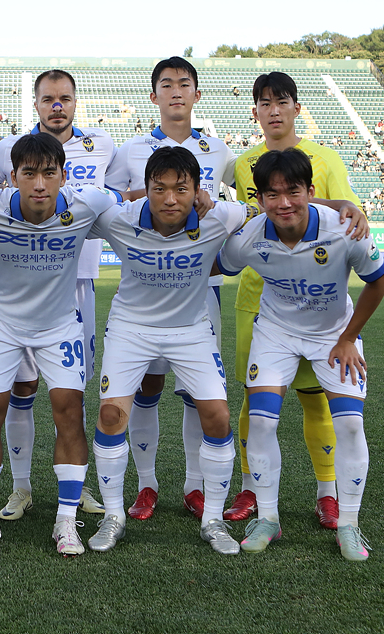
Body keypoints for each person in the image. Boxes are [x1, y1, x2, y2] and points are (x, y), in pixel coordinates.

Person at [217, 148, 384, 561]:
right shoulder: (250, 236)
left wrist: (348, 338)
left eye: (293, 192)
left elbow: (378, 281)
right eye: (271, 195)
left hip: (334, 335)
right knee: (261, 421)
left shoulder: (343, 229)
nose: (284, 203)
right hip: (275, 333)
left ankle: (349, 525)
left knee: (350, 427)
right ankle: (268, 519)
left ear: (311, 192)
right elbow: (215, 265)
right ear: (259, 198)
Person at [0, 134, 119, 557]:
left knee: (70, 412)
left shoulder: (87, 203)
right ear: (12, 178)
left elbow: (135, 208)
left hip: (59, 325)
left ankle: (66, 520)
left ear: (64, 175)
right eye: (29, 174)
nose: (40, 184)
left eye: (49, 173)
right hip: (0, 326)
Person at [224, 72, 368, 531]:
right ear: (255, 112)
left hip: (316, 303)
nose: (273, 110)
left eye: (281, 101)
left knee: (315, 398)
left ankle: (327, 492)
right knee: (254, 399)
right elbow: (243, 221)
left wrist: (335, 205)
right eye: (264, 103)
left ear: (296, 108)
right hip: (258, 298)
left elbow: (348, 211)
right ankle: (251, 488)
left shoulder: (325, 157)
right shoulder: (242, 164)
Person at [89, 146, 249, 554]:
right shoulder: (119, 218)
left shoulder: (220, 216)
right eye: (159, 188)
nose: (170, 199)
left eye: (181, 188)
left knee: (218, 417)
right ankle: (113, 516)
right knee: (111, 415)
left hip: (191, 330)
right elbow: (69, 202)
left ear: (197, 190)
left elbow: (271, 208)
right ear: (146, 189)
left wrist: (340, 206)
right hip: (130, 329)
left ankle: (213, 520)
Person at [104, 55, 236, 522]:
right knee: (147, 386)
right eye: (166, 84)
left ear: (197, 94)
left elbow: (239, 205)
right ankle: (147, 484)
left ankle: (195, 486)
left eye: (184, 83)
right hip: (145, 287)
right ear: (154, 95)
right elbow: (110, 200)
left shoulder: (219, 150)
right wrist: (151, 195)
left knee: (198, 394)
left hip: (202, 288)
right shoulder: (131, 150)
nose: (175, 90)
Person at [0, 69, 115, 518]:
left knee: (72, 391)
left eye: (65, 98)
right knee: (20, 387)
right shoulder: (6, 148)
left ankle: (77, 487)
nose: (57, 106)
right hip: (19, 282)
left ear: (76, 101)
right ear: (36, 103)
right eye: (48, 99)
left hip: (76, 282)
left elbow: (119, 198)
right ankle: (20, 487)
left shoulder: (103, 144)